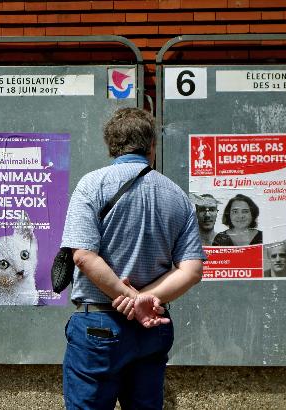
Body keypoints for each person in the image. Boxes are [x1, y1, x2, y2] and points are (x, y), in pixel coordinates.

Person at [61, 107, 205, 409]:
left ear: (111, 145)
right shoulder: (177, 196)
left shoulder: (92, 185)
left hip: (98, 325)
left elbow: (84, 256)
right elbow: (191, 270)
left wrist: (130, 299)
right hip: (152, 327)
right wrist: (144, 301)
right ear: (152, 145)